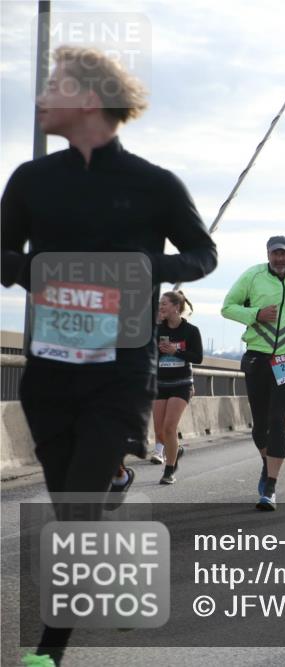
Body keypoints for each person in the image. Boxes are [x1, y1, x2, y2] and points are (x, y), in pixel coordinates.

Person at [1, 46, 217, 666]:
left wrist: (148, 266)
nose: (41, 98)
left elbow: (204, 255)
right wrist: (39, 270)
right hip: (47, 373)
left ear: (89, 100)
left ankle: (48, 650)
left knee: (73, 514)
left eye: (54, 86)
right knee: (75, 497)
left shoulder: (154, 185)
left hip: (120, 371)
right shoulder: (32, 180)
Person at [222, 235, 285, 511]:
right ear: (268, 254)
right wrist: (256, 314)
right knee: (260, 424)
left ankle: (271, 487)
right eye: (275, 253)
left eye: (284, 254)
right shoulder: (252, 276)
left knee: (278, 419)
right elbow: (227, 307)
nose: (279, 258)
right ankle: (268, 464)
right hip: (258, 357)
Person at [153, 290, 203, 484]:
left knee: (169, 427)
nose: (160, 307)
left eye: (164, 303)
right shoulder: (157, 329)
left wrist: (176, 351)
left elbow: (197, 357)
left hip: (181, 384)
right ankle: (176, 450)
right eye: (159, 304)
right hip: (160, 383)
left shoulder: (191, 331)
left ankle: (169, 470)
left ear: (176, 307)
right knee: (159, 432)